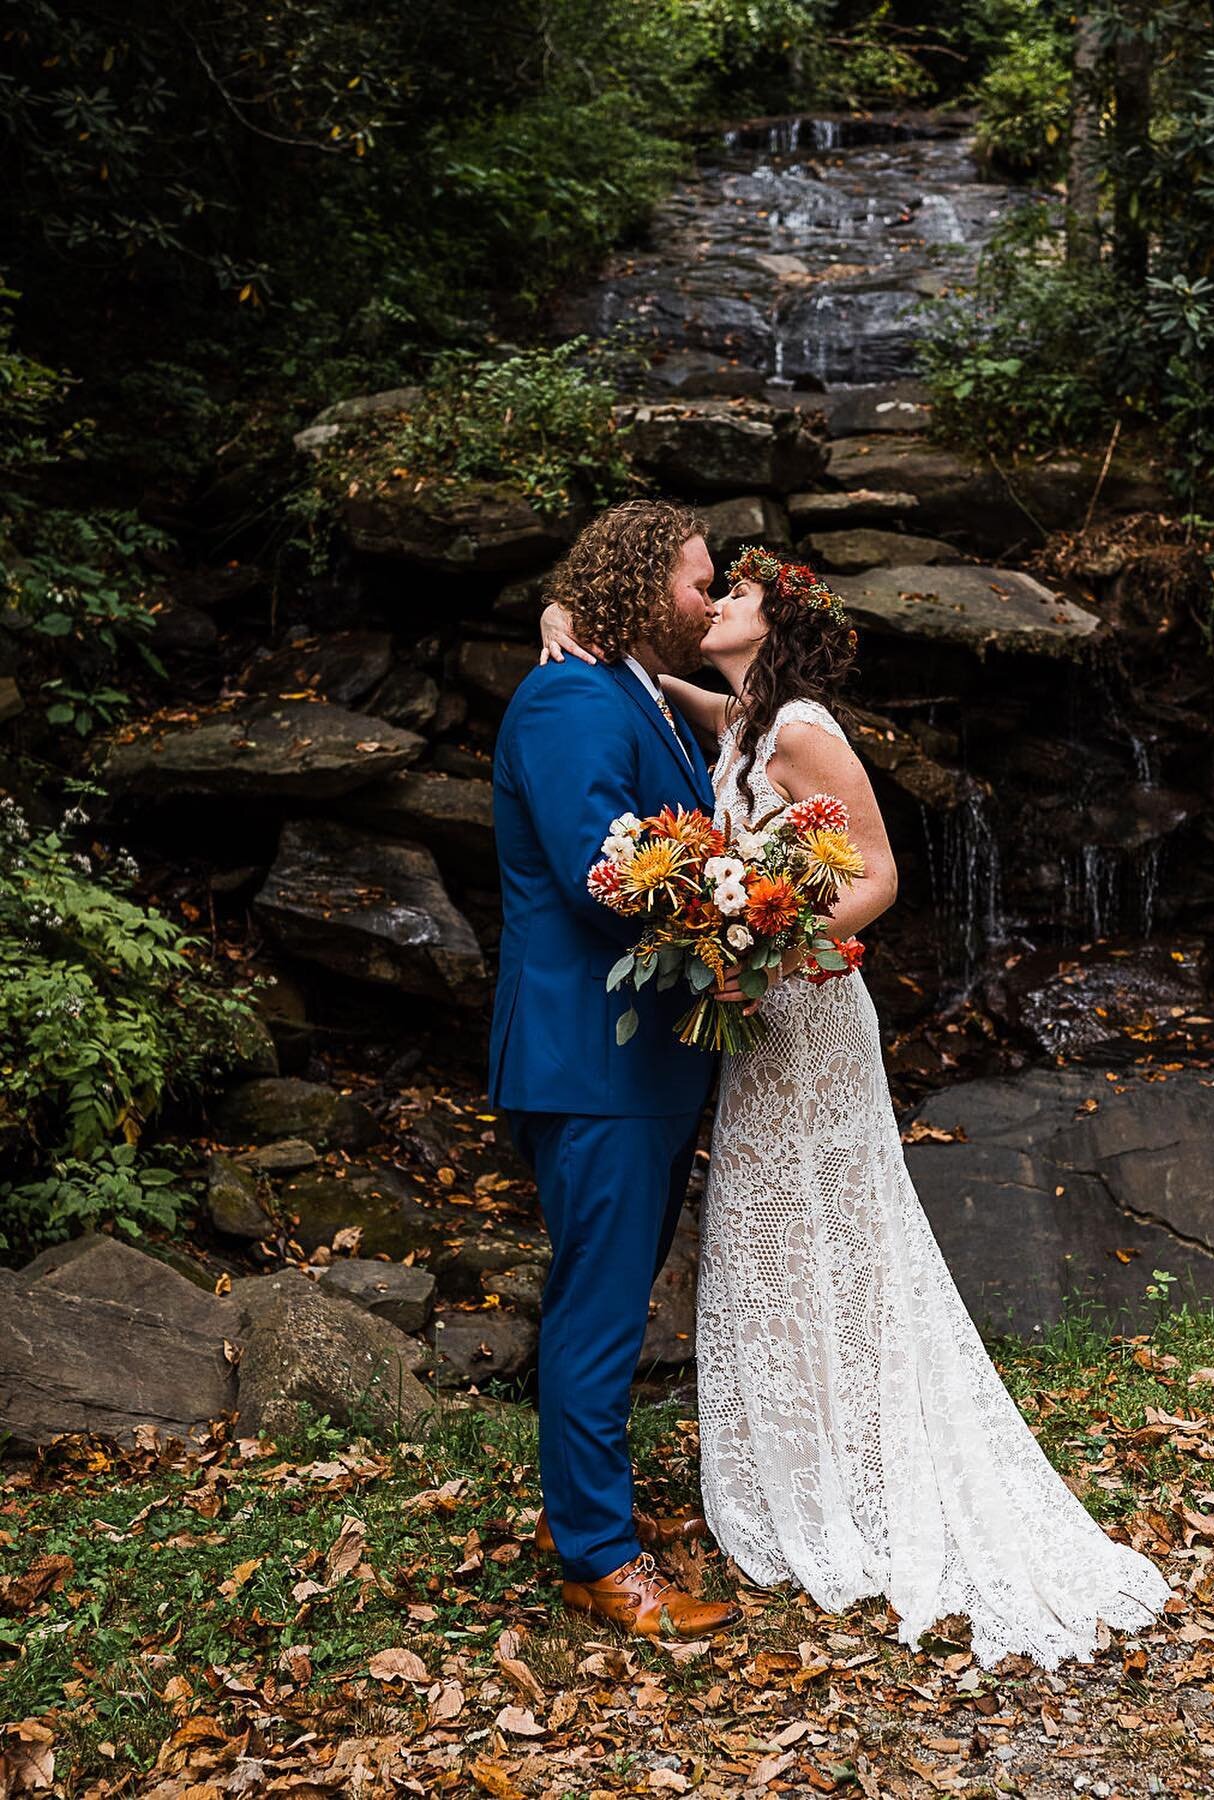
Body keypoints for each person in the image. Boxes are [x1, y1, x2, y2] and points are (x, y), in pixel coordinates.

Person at [539, 543, 1172, 1666]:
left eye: (731, 595)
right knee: (770, 1241)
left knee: (840, 1229)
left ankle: (859, 1470)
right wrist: (562, 618)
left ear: (769, 632)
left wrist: (769, 943)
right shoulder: (740, 723)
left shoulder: (801, 732)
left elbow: (876, 875)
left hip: (804, 1009)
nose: (713, 602)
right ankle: (802, 1462)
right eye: (711, 584)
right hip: (754, 1023)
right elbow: (666, 692)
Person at [491, 499, 742, 1641]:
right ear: (645, 589)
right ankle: (599, 1557)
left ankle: (576, 1515)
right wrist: (736, 922)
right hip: (592, 1060)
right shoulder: (567, 699)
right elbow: (607, 874)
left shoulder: (640, 691)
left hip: (640, 1066)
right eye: (698, 581)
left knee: (605, 1297)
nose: (709, 596)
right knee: (599, 1311)